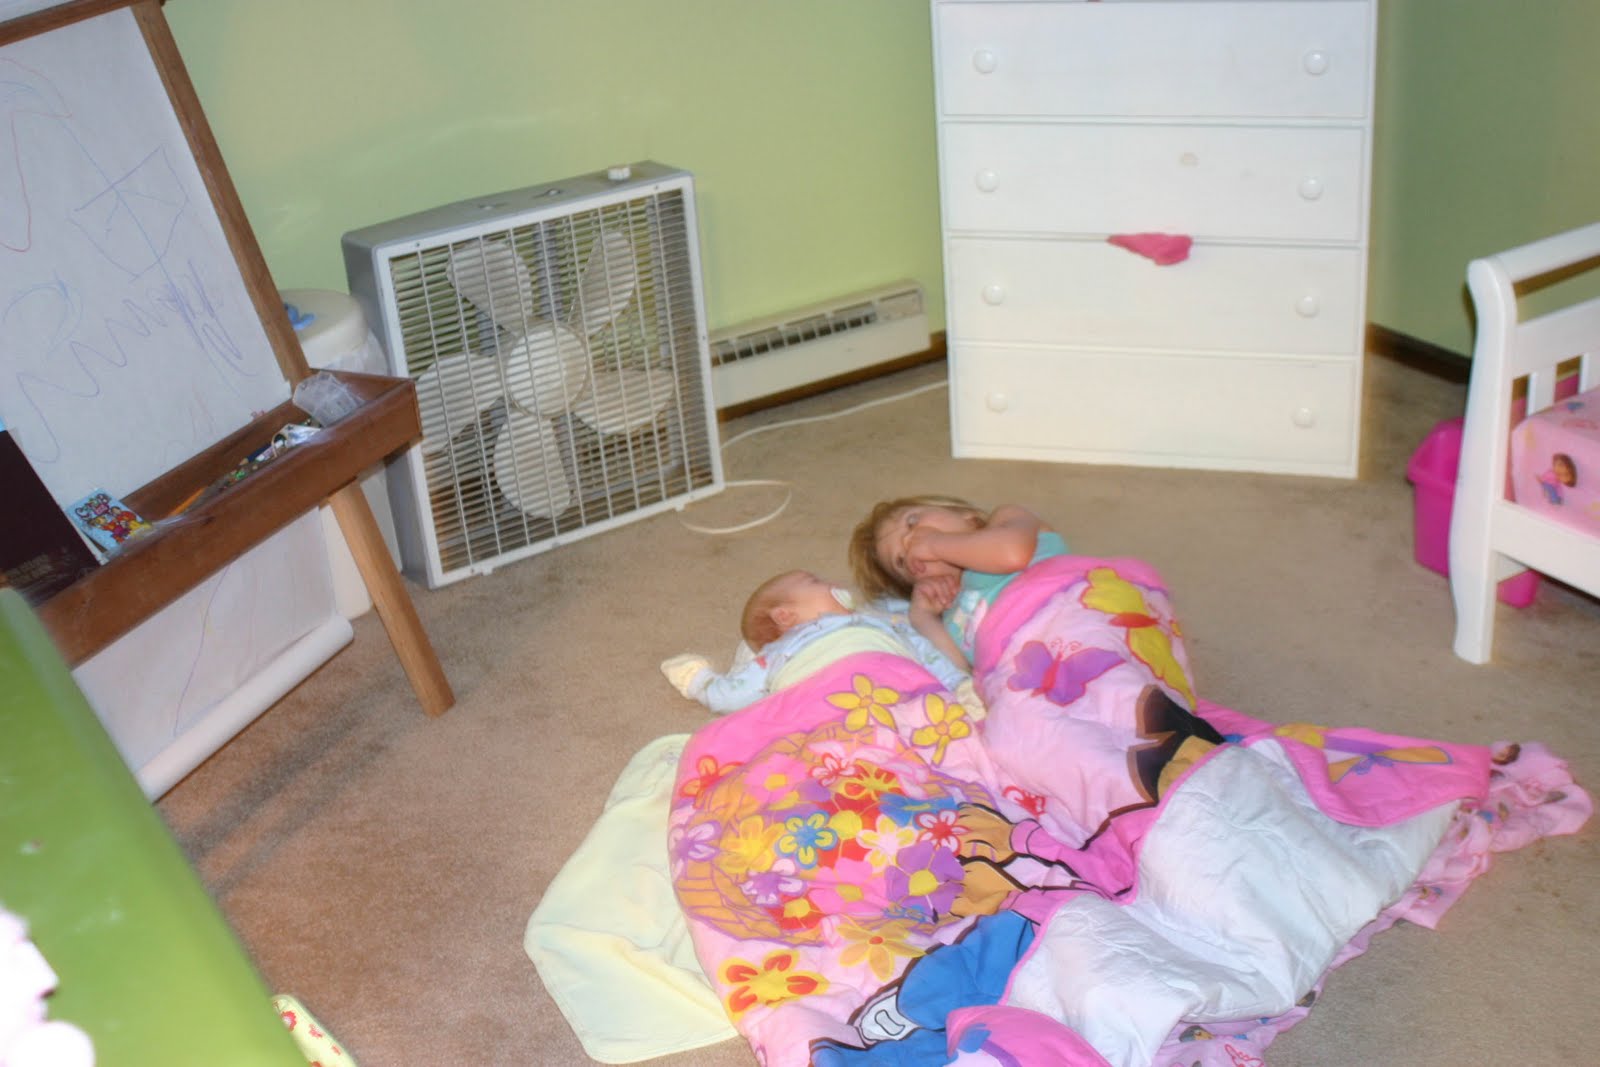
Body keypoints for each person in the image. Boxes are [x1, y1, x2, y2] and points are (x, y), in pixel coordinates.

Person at [659, 568, 974, 715]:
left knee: (932, 722)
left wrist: (959, 686)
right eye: (814, 581)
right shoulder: (780, 652)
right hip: (825, 704)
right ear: (785, 616)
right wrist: (697, 679)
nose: (831, 582)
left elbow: (926, 654)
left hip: (898, 688)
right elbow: (730, 694)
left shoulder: (878, 623)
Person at [847, 494, 1063, 672]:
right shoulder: (956, 615)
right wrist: (924, 617)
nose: (909, 543)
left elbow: (1013, 555)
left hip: (1067, 612)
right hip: (1033, 677)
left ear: (966, 515)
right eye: (901, 561)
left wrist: (934, 543)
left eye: (912, 522)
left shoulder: (1005, 520)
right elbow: (962, 671)